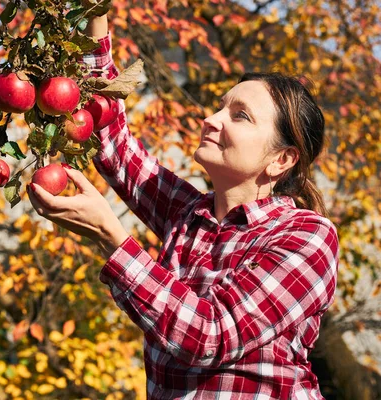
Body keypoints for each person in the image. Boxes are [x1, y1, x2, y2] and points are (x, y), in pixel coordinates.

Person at [27, 11, 339, 400]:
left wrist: (112, 239)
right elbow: (115, 147)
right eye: (220, 107)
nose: (210, 119)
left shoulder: (308, 236)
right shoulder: (190, 215)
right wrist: (95, 20)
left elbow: (211, 335)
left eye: (239, 116)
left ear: (281, 160)